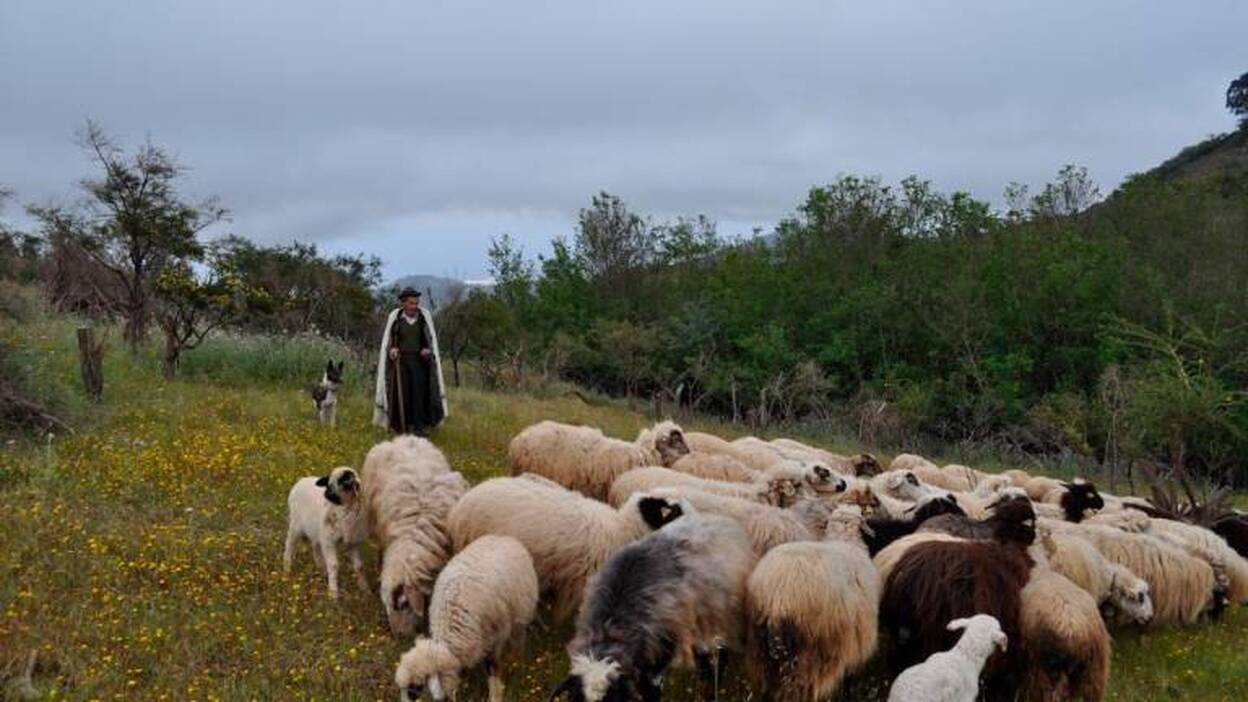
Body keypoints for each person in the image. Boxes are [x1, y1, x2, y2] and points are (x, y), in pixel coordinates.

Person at [372, 287, 447, 434]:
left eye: (416, 303)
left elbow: (429, 340)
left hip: (419, 362)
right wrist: (392, 350)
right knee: (403, 395)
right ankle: (401, 426)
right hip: (401, 363)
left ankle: (419, 427)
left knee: (419, 394)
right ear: (403, 303)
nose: (414, 306)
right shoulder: (396, 319)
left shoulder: (423, 318)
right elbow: (389, 341)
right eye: (411, 303)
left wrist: (427, 350)